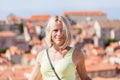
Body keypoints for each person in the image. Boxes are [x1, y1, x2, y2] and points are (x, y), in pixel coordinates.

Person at [29, 16, 91, 80]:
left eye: (63, 30)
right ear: (50, 32)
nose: (59, 34)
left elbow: (85, 78)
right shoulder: (41, 55)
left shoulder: (77, 54)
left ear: (67, 32)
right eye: (55, 30)